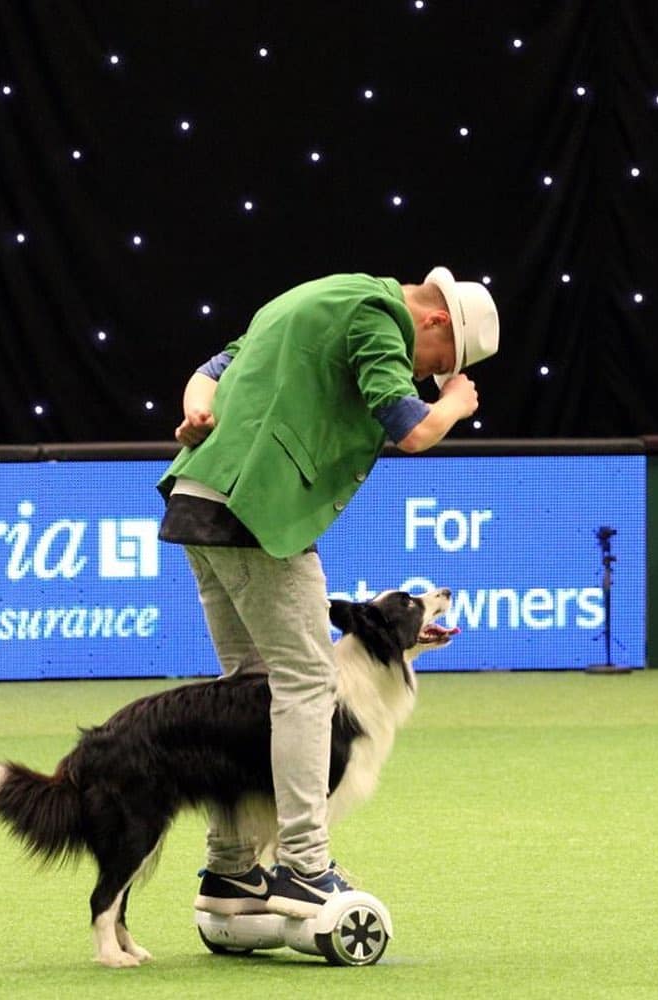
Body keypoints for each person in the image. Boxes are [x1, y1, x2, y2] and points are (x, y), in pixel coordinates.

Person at [157, 267, 499, 919]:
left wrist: (195, 408)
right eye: (435, 363)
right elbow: (412, 430)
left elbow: (212, 367)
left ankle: (231, 872)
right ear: (433, 322)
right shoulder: (378, 316)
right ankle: (304, 867)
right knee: (309, 685)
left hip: (198, 496)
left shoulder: (315, 293)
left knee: (252, 687)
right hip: (256, 509)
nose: (422, 374)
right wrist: (453, 405)